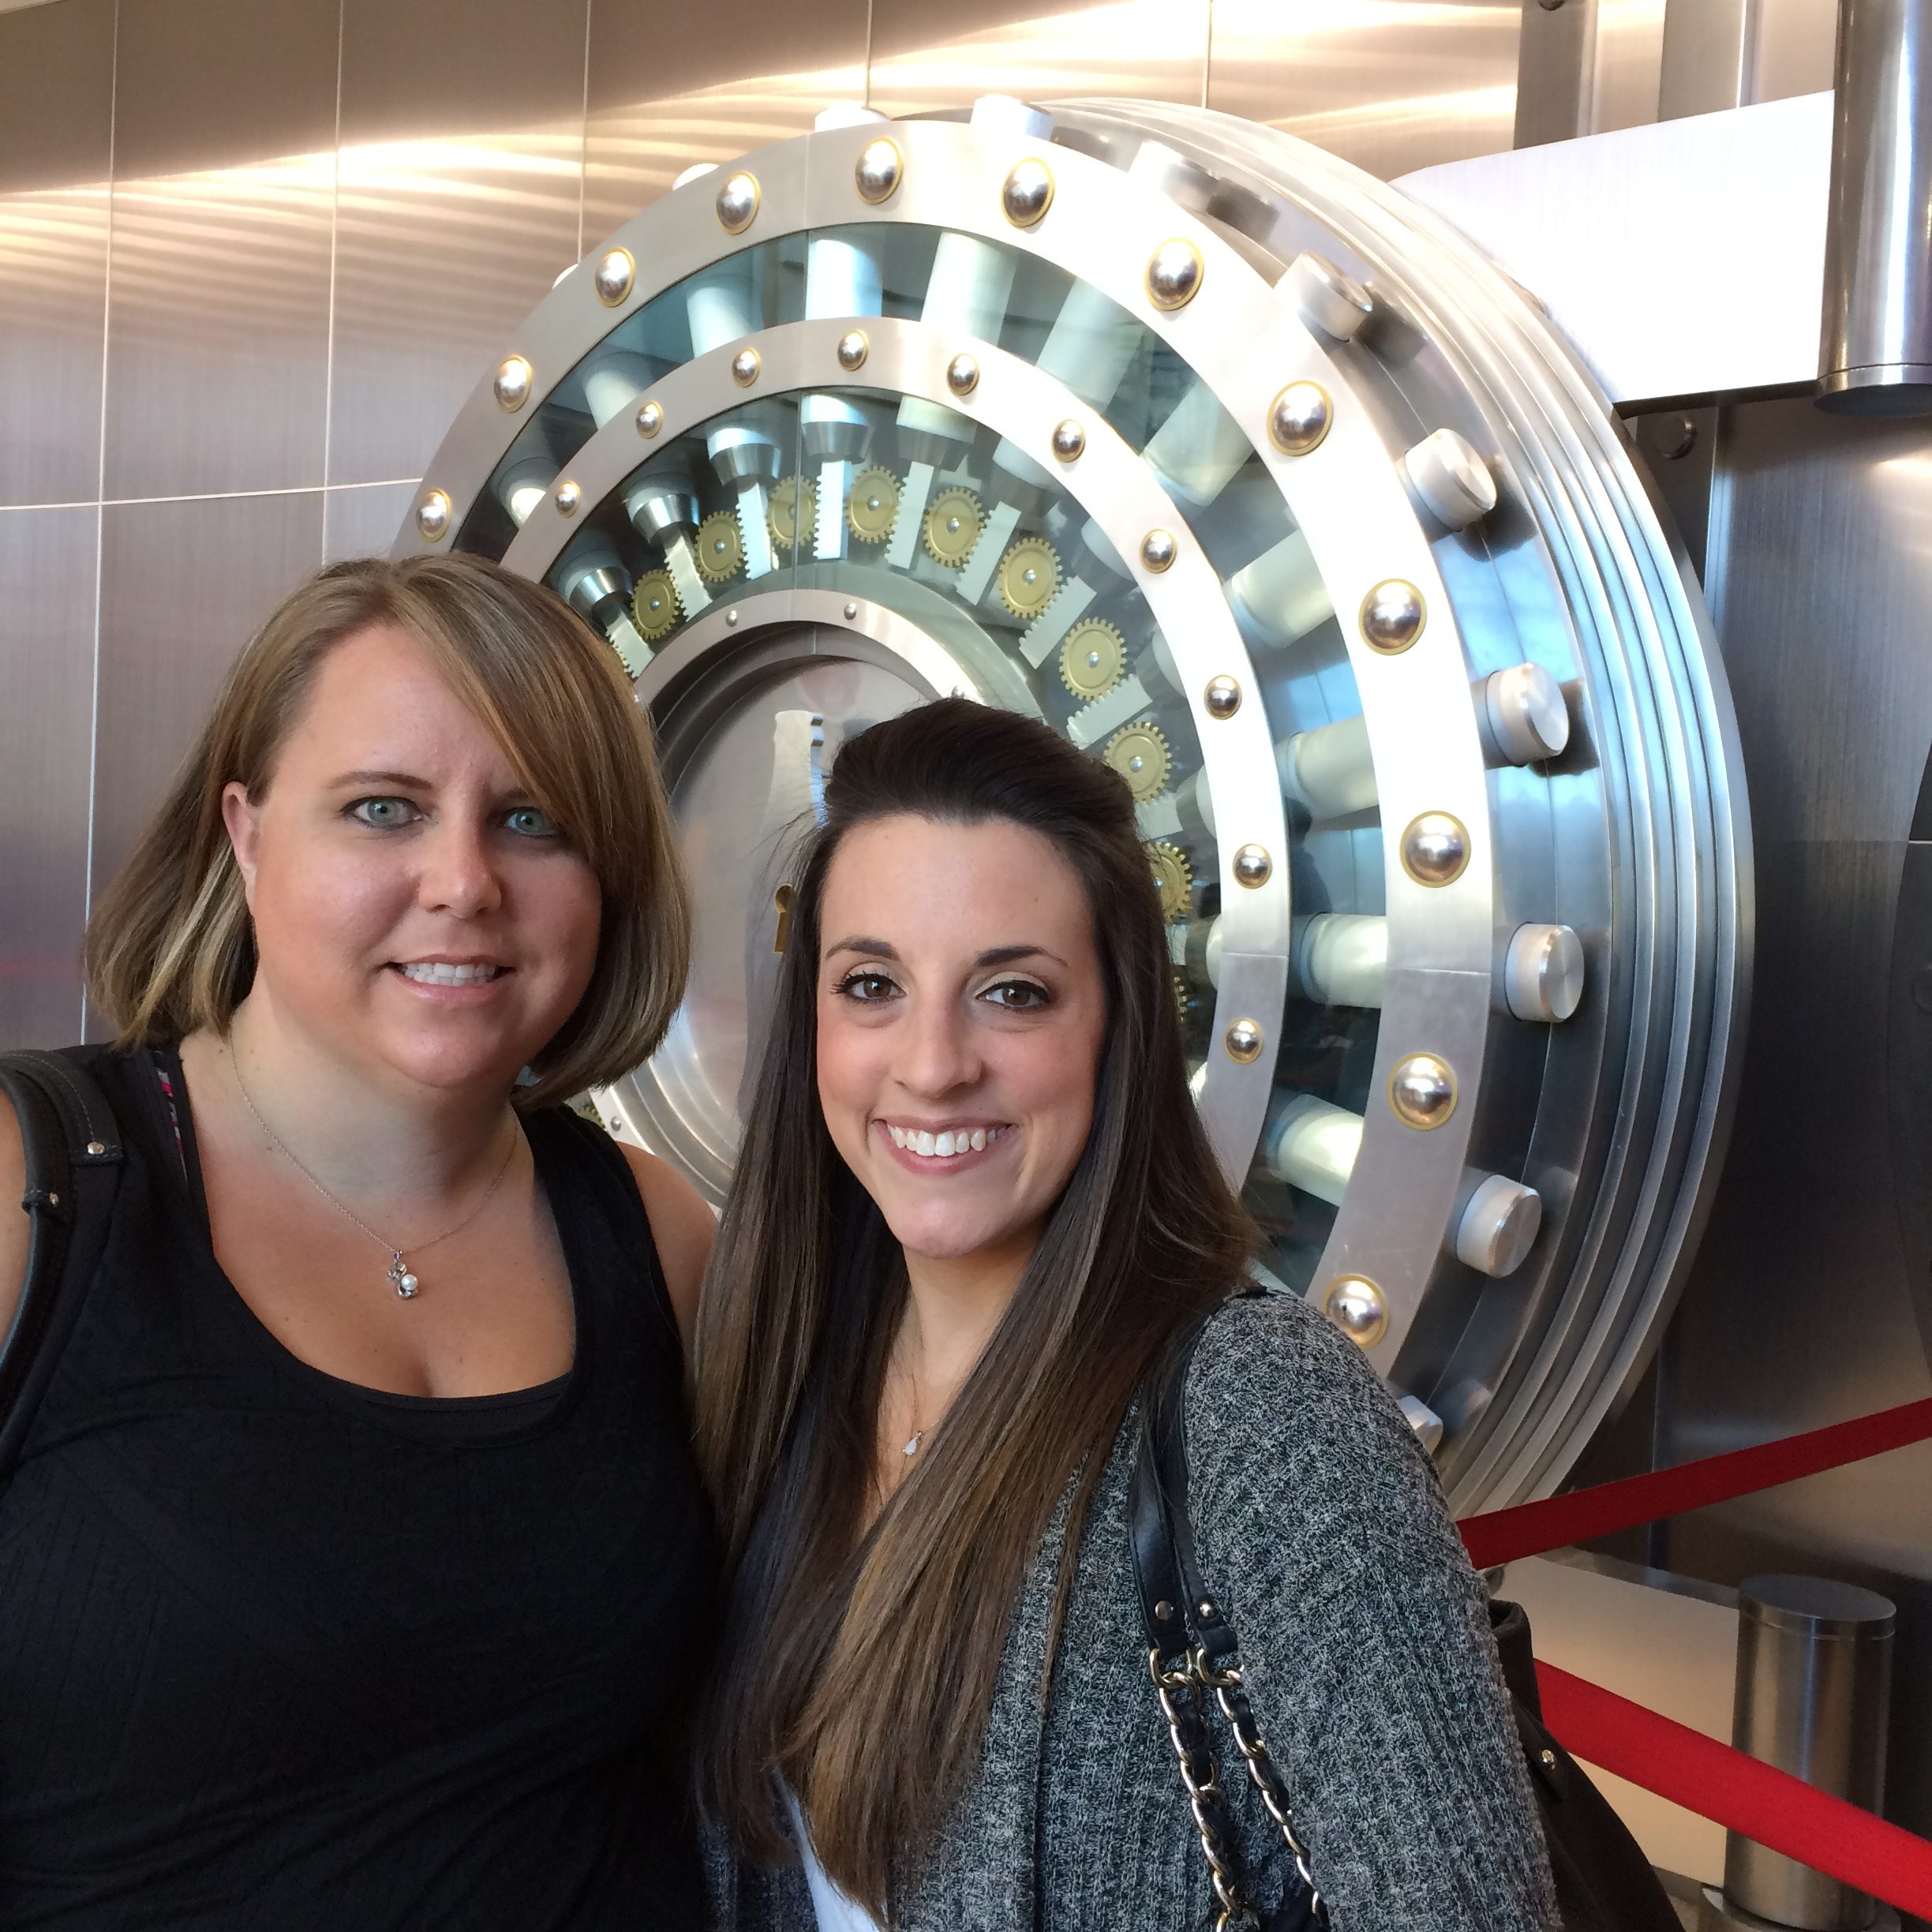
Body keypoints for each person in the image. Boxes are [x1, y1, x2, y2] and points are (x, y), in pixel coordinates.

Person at [692, 697, 1557, 1930]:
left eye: (1013, 993)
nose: (932, 1064)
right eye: (872, 984)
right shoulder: (785, 1365)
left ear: (1121, 1025)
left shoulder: (1262, 1411)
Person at [0, 555, 716, 1929]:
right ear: (248, 833)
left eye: (533, 820)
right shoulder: (33, 1188)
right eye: (384, 808)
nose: (464, 882)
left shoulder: (656, 1236)